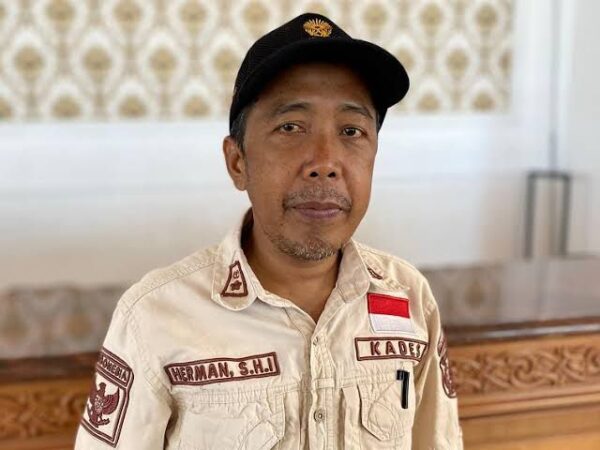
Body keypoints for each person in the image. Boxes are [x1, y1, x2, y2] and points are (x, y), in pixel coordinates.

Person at [75, 12, 463, 449]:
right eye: (290, 127)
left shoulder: (409, 297)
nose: (325, 163)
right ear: (237, 162)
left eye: (351, 130)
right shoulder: (155, 315)